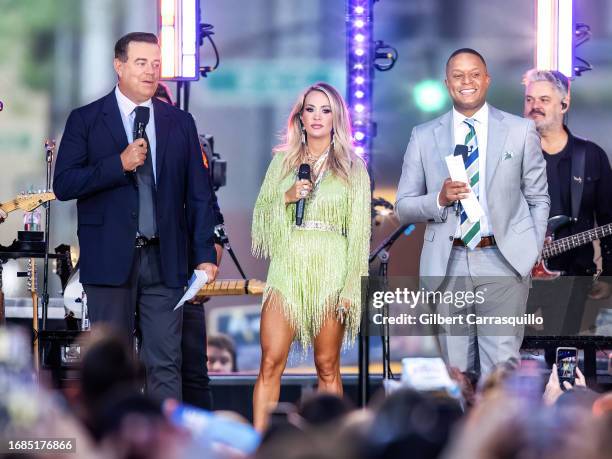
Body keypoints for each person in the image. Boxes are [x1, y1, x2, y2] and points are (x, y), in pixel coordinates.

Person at [53, 32, 218, 401]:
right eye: (141, 63)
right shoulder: (87, 119)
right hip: (109, 258)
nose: (150, 71)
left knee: (164, 361)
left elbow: (199, 194)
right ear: (119, 65)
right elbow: (64, 183)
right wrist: (119, 165)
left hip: (165, 260)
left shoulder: (179, 123)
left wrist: (205, 254)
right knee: (111, 363)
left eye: (156, 64)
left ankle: (160, 446)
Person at [396, 48, 550, 376]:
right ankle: (462, 428)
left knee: (502, 372)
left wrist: (530, 249)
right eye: (458, 75)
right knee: (455, 374)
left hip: (503, 260)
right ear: (447, 83)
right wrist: (437, 199)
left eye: (474, 74)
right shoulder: (424, 136)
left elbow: (539, 198)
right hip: (448, 262)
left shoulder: (520, 130)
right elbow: (403, 206)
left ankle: (497, 429)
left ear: (487, 79)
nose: (467, 81)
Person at [251, 82, 371, 431]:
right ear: (300, 117)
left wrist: (351, 287)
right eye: (310, 109)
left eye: (325, 110)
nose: (317, 117)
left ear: (337, 118)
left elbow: (360, 236)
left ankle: (330, 445)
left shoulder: (353, 167)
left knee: (327, 364)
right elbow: (260, 222)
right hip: (287, 268)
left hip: (332, 271)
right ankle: (261, 444)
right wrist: (286, 197)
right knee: (271, 361)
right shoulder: (282, 162)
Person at [153, 80, 225, 409]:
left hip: (183, 281)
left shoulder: (189, 156)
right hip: (134, 278)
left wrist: (206, 268)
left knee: (192, 373)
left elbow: (212, 221)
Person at [523, 69, 612, 334]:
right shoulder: (512, 154)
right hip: (516, 277)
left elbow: (607, 218)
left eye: (543, 100)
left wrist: (608, 275)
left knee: (562, 356)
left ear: (564, 104)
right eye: (529, 100)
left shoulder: (590, 155)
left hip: (572, 275)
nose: (534, 106)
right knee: (504, 357)